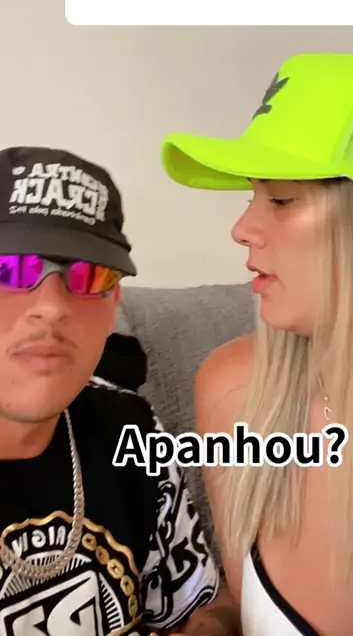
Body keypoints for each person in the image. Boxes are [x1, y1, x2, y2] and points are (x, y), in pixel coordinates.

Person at [160, 53, 353, 636]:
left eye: (281, 199)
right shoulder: (234, 395)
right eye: (251, 196)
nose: (242, 228)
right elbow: (240, 603)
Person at [0, 145, 239, 636]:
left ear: (114, 304)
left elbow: (202, 611)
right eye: (11, 269)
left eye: (88, 276)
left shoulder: (130, 426)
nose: (52, 307)